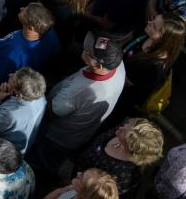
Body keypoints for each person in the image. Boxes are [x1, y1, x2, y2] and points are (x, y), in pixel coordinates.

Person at [29, 32, 126, 172]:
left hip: (56, 137)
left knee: (41, 159)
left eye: (87, 52)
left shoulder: (81, 91)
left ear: (98, 66)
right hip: (79, 135)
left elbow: (50, 113)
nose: (83, 51)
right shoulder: (117, 63)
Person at [114, 13, 184, 117]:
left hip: (117, 97)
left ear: (163, 38)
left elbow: (125, 82)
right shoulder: (148, 35)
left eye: (154, 26)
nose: (149, 22)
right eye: (153, 19)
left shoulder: (155, 66)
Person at [72, 119, 164, 198]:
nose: (120, 128)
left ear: (129, 147)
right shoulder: (122, 131)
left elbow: (96, 193)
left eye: (123, 132)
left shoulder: (123, 174)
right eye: (125, 125)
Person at [0, 3, 61, 87]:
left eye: (25, 12)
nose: (21, 8)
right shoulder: (51, 34)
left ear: (31, 27)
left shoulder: (11, 54)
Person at [0, 67, 47, 155]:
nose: (10, 75)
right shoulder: (40, 97)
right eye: (15, 73)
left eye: (13, 78)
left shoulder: (9, 115)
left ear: (19, 95)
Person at [42, 168, 119, 199]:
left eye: (81, 177)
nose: (78, 173)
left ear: (85, 194)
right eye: (83, 172)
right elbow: (59, 191)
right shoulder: (73, 189)